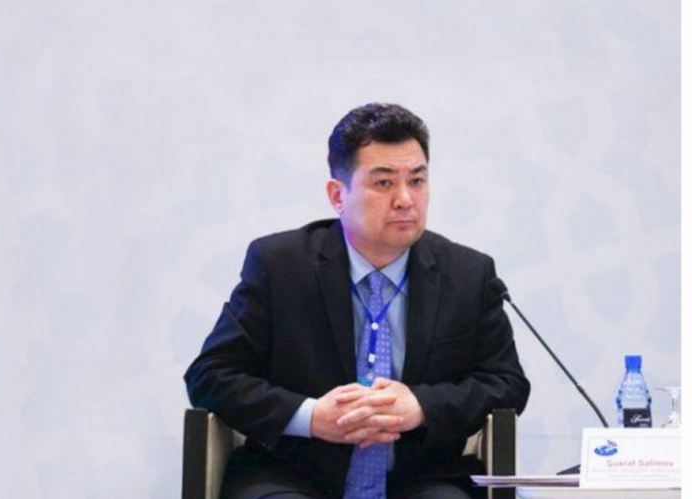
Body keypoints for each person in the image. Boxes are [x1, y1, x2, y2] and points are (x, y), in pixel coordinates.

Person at [184, 103, 530, 499]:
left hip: (423, 478)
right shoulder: (280, 266)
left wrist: (422, 405)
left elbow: (507, 384)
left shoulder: (468, 274)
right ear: (337, 194)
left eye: (417, 181)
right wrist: (311, 416)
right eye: (384, 183)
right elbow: (210, 375)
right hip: (293, 474)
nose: (405, 199)